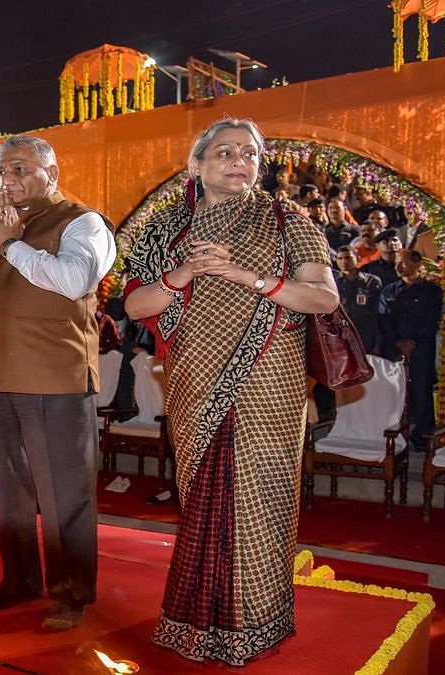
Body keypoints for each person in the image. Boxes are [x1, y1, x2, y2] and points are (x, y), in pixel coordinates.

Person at [123, 119, 337, 665]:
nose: (239, 161)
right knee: (203, 498)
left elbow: (323, 299)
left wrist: (251, 278)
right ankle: (196, 616)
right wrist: (183, 274)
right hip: (194, 373)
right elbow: (134, 306)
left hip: (271, 374)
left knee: (261, 495)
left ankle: (260, 618)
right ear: (196, 164)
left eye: (249, 153)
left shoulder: (291, 219)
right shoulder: (165, 230)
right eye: (224, 152)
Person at [0, 135, 116, 631]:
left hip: (53, 375)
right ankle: (19, 579)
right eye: (1, 171)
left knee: (64, 491)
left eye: (19, 169)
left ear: (52, 173)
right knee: (7, 488)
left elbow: (74, 281)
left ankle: (70, 593)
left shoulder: (83, 221)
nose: (7, 180)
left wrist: (12, 244)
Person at [379, 251, 442, 451]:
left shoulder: (431, 290)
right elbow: (383, 319)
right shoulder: (389, 290)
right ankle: (391, 436)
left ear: (418, 264)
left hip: (421, 348)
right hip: (394, 348)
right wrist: (398, 342)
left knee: (421, 391)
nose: (399, 267)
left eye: (404, 263)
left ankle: (423, 437)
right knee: (392, 391)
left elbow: (431, 321)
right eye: (397, 263)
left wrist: (411, 343)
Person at [335, 246, 383, 354]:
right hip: (341, 333)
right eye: (340, 259)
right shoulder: (333, 282)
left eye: (348, 258)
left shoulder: (372, 281)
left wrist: (378, 341)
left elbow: (377, 313)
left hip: (365, 333)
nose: (344, 262)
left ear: (358, 258)